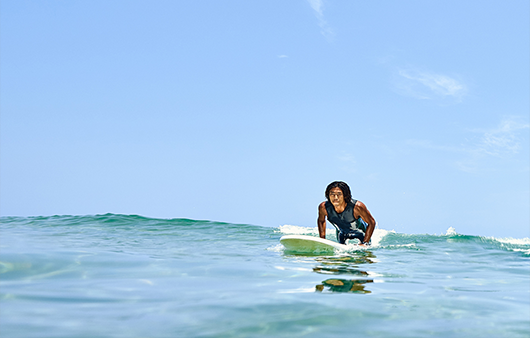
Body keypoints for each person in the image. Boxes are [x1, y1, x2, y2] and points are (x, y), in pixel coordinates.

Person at [317, 181, 376, 246]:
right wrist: (322, 240)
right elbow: (321, 221)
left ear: (345, 195)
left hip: (362, 235)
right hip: (342, 235)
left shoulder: (357, 207)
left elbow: (372, 222)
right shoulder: (324, 208)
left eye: (339, 194)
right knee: (342, 255)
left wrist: (365, 243)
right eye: (332, 194)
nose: (335, 197)